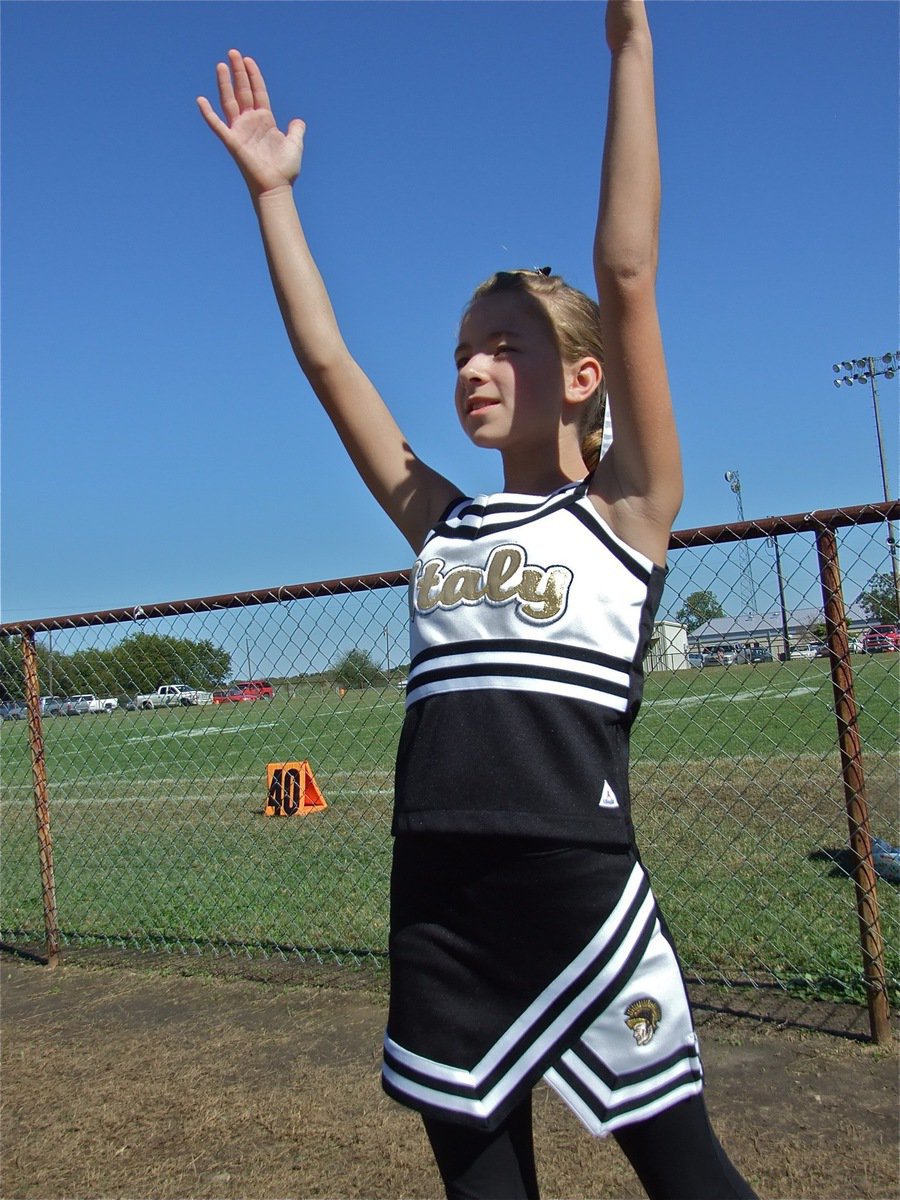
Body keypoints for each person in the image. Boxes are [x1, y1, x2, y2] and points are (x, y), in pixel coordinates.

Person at [198, 4, 758, 1197]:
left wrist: (631, 54)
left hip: (575, 884)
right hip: (437, 895)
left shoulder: (627, 508)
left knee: (684, 1165)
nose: (471, 367)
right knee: (480, 1182)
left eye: (504, 345)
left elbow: (628, 273)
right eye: (463, 348)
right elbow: (327, 360)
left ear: (582, 377)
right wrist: (272, 196)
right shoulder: (439, 519)